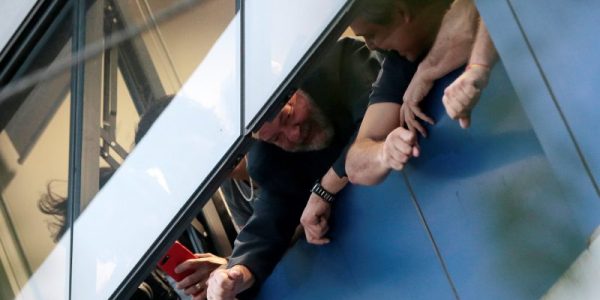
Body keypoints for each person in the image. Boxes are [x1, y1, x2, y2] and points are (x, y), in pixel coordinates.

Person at [196, 37, 382, 299]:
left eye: (288, 115)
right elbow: (268, 224)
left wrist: (325, 188)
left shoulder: (335, 63)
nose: (293, 136)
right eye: (276, 138)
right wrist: (235, 272)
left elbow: (378, 119)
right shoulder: (268, 161)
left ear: (294, 84)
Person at [345, 0, 495, 185]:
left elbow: (482, 12)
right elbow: (354, 167)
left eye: (371, 35)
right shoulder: (398, 62)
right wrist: (384, 152)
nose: (370, 46)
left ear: (401, 12)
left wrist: (430, 70)